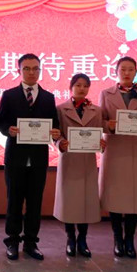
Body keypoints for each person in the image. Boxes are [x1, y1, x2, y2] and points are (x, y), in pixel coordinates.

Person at [0, 53, 60, 260]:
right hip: (15, 156)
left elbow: (54, 124)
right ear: (19, 70)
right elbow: (1, 122)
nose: (31, 72)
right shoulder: (9, 95)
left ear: (40, 71)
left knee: (35, 201)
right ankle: (12, 241)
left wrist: (55, 132)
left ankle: (31, 242)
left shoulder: (48, 98)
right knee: (14, 200)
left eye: (35, 68)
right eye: (27, 68)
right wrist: (8, 130)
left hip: (38, 158)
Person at [99, 56, 137, 259]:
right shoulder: (106, 94)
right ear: (116, 71)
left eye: (131, 69)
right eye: (123, 69)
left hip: (136, 149)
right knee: (115, 195)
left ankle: (129, 239)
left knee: (133, 196)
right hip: (115, 149)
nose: (127, 73)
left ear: (136, 72)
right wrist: (109, 125)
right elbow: (100, 121)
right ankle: (117, 239)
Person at [54, 73, 105, 257]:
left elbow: (99, 133)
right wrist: (60, 143)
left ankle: (82, 239)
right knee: (70, 201)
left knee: (85, 201)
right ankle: (70, 238)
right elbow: (56, 133)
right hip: (69, 160)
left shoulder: (97, 111)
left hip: (87, 161)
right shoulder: (60, 109)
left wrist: (101, 143)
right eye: (78, 85)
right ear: (71, 87)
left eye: (85, 85)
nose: (82, 88)